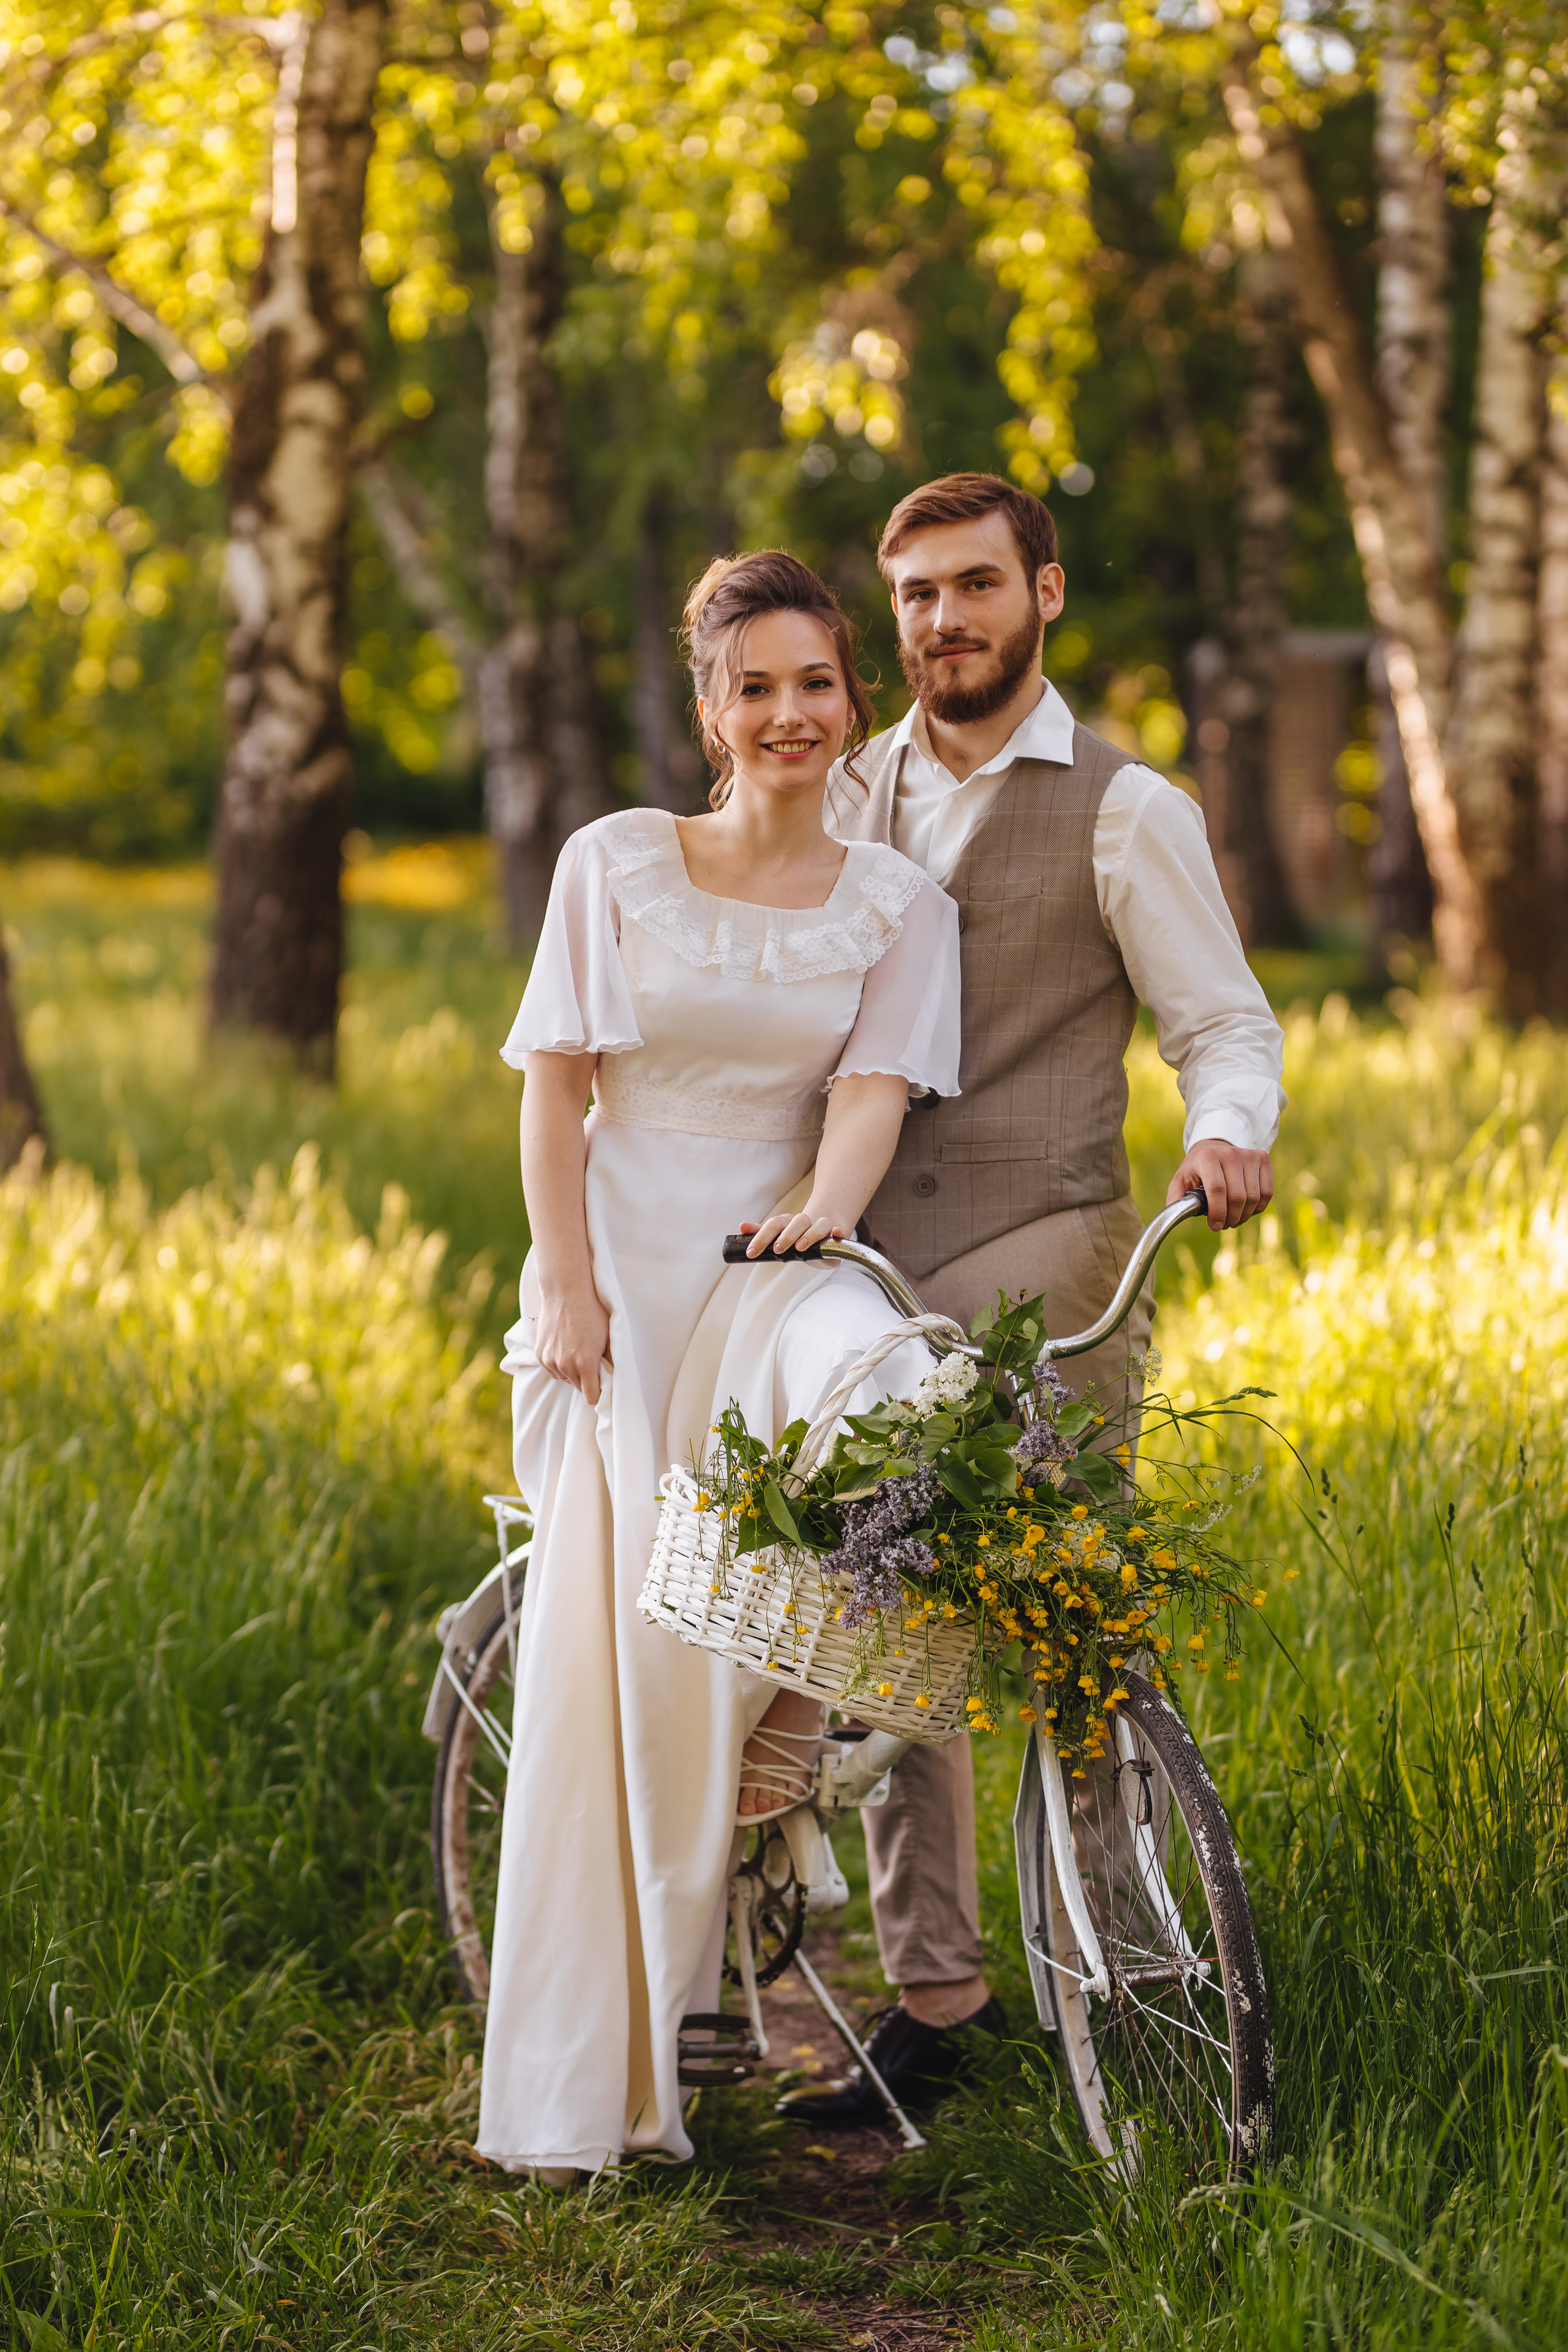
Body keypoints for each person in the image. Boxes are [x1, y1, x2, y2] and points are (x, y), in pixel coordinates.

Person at [780, 471, 1286, 2131]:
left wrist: (1225, 1141)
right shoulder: (847, 788)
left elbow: (1224, 1026)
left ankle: (1126, 1962)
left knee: (1066, 1610)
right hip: (866, 1254)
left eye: (977, 585)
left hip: (1045, 1244)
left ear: (1044, 595)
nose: (946, 620)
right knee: (886, 1606)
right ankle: (940, 1991)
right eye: (917, 595)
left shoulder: (1126, 808)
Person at [476, 551, 965, 2180]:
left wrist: (820, 1218)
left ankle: (797, 1721)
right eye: (752, 688)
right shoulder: (615, 864)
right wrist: (567, 1287)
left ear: (855, 697)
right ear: (709, 710)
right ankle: (620, 2062)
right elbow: (554, 1090)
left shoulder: (902, 902)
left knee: (891, 1395)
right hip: (621, 1267)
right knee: (642, 1658)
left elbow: (872, 1096)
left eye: (814, 684)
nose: (787, 715)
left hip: (777, 1255)